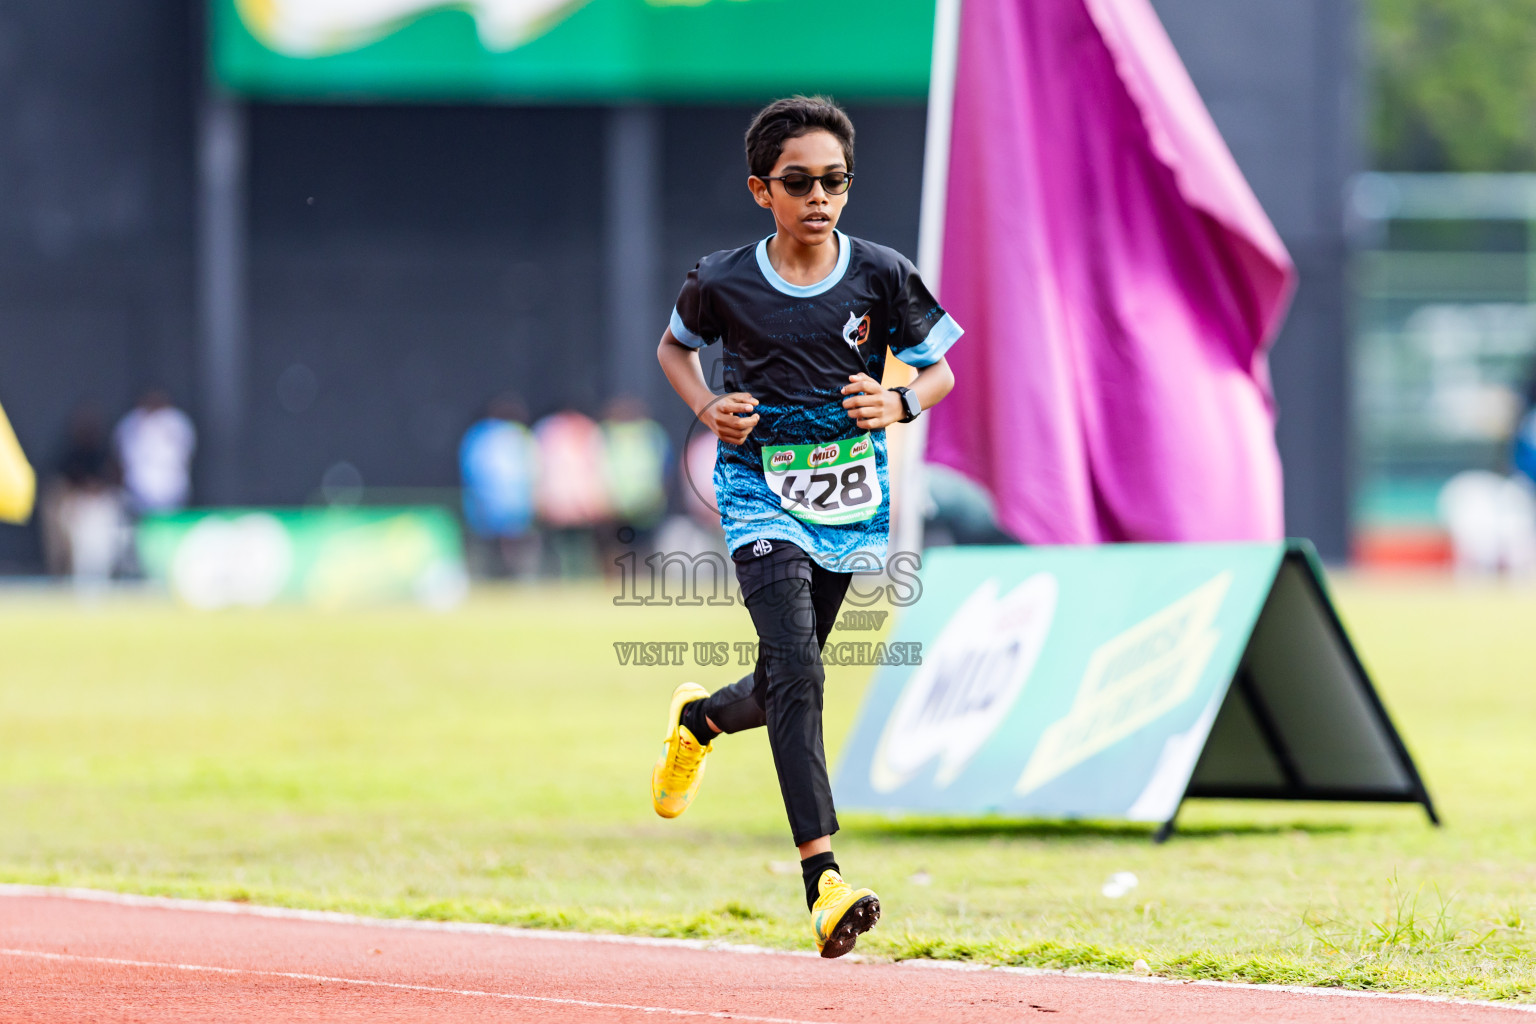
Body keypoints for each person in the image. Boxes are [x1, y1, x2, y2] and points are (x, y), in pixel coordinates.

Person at [651, 96, 961, 958]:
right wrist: (709, 405)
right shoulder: (723, 280)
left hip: (851, 504)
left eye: (834, 181)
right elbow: (674, 349)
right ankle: (823, 881)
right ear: (762, 190)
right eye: (799, 183)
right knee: (799, 672)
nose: (819, 197)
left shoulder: (882, 274)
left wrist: (897, 400)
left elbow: (938, 373)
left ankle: (701, 724)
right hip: (756, 495)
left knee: (790, 678)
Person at [459, 394, 540, 578]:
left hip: (492, 506)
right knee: (514, 551)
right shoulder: (517, 436)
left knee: (493, 552)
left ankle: (494, 580)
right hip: (513, 507)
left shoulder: (480, 435)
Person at [114, 390, 195, 515]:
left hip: (172, 487)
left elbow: (186, 453)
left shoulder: (176, 421)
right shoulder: (131, 423)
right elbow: (122, 457)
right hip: (138, 489)